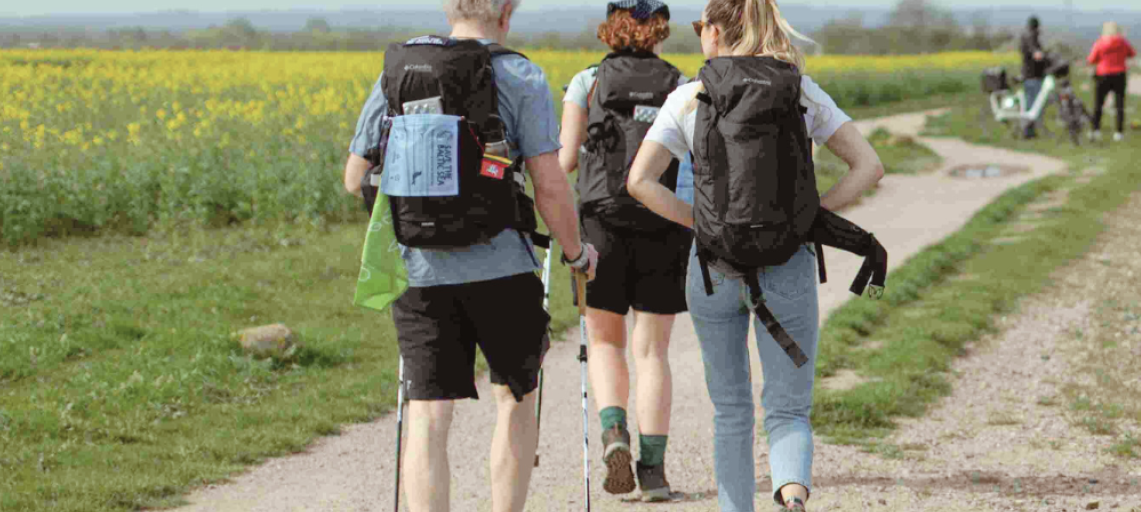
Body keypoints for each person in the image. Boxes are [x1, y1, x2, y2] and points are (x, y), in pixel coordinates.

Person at [619, 0, 887, 510]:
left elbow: (639, 182)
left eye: (701, 28)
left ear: (715, 33)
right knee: (788, 410)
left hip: (712, 268)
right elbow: (869, 167)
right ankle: (790, 493)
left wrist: (702, 223)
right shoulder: (798, 90)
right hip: (788, 263)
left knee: (731, 411)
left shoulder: (689, 96)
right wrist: (806, 217)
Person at [336, 0, 595, 510]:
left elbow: (353, 178)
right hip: (504, 267)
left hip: (420, 271)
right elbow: (548, 183)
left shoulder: (402, 72)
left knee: (429, 415)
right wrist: (575, 252)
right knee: (516, 400)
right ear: (506, 11)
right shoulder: (520, 73)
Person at [555, 0, 688, 501]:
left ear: (611, 24)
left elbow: (566, 160)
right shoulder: (681, 84)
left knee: (606, 342)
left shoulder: (587, 81)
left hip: (601, 225)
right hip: (663, 221)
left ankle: (615, 435)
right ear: (659, 28)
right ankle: (653, 471)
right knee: (652, 350)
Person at [1085, 21, 1135, 142]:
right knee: (1119, 105)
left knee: (1098, 104)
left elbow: (1091, 59)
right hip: (1119, 75)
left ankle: (1095, 130)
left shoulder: (1100, 42)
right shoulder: (1122, 42)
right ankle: (1118, 133)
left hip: (1103, 75)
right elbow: (1132, 53)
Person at [1018, 16, 1048, 138]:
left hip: (1028, 74)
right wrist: (1045, 57)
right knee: (1032, 103)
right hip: (1033, 75)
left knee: (1030, 103)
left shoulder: (1025, 36)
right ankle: (1027, 131)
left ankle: (1029, 130)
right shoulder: (1031, 37)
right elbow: (1036, 54)